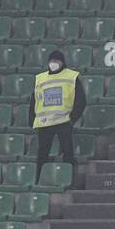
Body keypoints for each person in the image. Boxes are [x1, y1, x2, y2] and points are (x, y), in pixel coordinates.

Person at [30, 49, 86, 182]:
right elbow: (34, 100)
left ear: (62, 62)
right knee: (42, 154)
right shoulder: (40, 78)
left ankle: (70, 180)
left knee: (68, 153)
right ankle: (39, 180)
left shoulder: (71, 76)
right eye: (51, 61)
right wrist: (32, 119)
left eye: (56, 61)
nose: (53, 63)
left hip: (63, 121)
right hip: (44, 123)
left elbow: (81, 100)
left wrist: (73, 118)